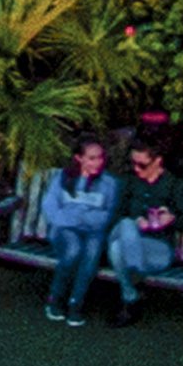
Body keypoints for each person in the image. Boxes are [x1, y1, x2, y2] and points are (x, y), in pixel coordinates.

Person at [88, 132, 183, 320]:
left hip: (157, 249)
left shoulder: (176, 186)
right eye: (133, 163)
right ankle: (136, 279)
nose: (136, 169)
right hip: (125, 234)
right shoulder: (129, 182)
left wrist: (170, 218)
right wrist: (136, 221)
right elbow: (115, 215)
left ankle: (131, 296)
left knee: (118, 249)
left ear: (158, 161)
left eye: (142, 165)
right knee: (126, 224)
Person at [34, 136, 121, 325]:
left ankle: (76, 302)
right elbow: (50, 207)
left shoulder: (109, 183)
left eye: (100, 157)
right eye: (91, 158)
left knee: (91, 253)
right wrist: (76, 219)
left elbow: (107, 215)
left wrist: (81, 218)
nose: (97, 162)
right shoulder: (63, 177)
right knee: (73, 250)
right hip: (64, 229)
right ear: (79, 158)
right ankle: (55, 298)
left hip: (93, 231)